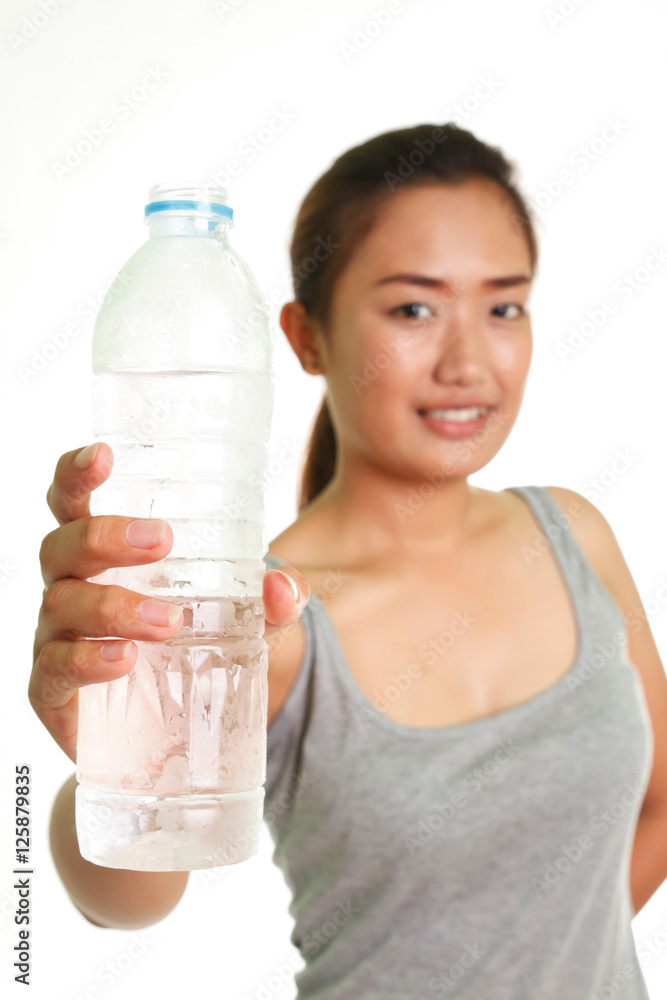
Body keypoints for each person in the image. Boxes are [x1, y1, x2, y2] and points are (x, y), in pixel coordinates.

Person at [31, 123, 666, 998]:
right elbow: (124, 903)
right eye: (412, 309)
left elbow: (660, 805)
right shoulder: (267, 616)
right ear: (305, 339)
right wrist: (104, 758)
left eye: (503, 307)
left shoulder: (574, 537)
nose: (467, 362)